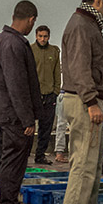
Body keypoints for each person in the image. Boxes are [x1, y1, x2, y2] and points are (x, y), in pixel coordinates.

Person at [59, 0, 103, 204]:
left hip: (86, 99)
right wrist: (91, 101)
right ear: (99, 1)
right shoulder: (82, 25)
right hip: (84, 101)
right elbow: (80, 66)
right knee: (83, 161)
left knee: (91, 161)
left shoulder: (86, 24)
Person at [0, 1, 42, 204]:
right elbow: (17, 85)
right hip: (14, 115)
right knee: (13, 162)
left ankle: (9, 203)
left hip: (4, 112)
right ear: (31, 19)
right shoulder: (13, 44)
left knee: (6, 161)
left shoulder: (2, 40)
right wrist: (27, 119)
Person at [31, 24, 61, 164]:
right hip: (34, 94)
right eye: (40, 36)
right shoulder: (30, 50)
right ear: (36, 36)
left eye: (45, 36)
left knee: (46, 127)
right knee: (29, 126)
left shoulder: (54, 51)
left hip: (49, 94)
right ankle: (25, 154)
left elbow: (57, 72)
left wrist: (55, 91)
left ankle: (40, 155)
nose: (43, 39)